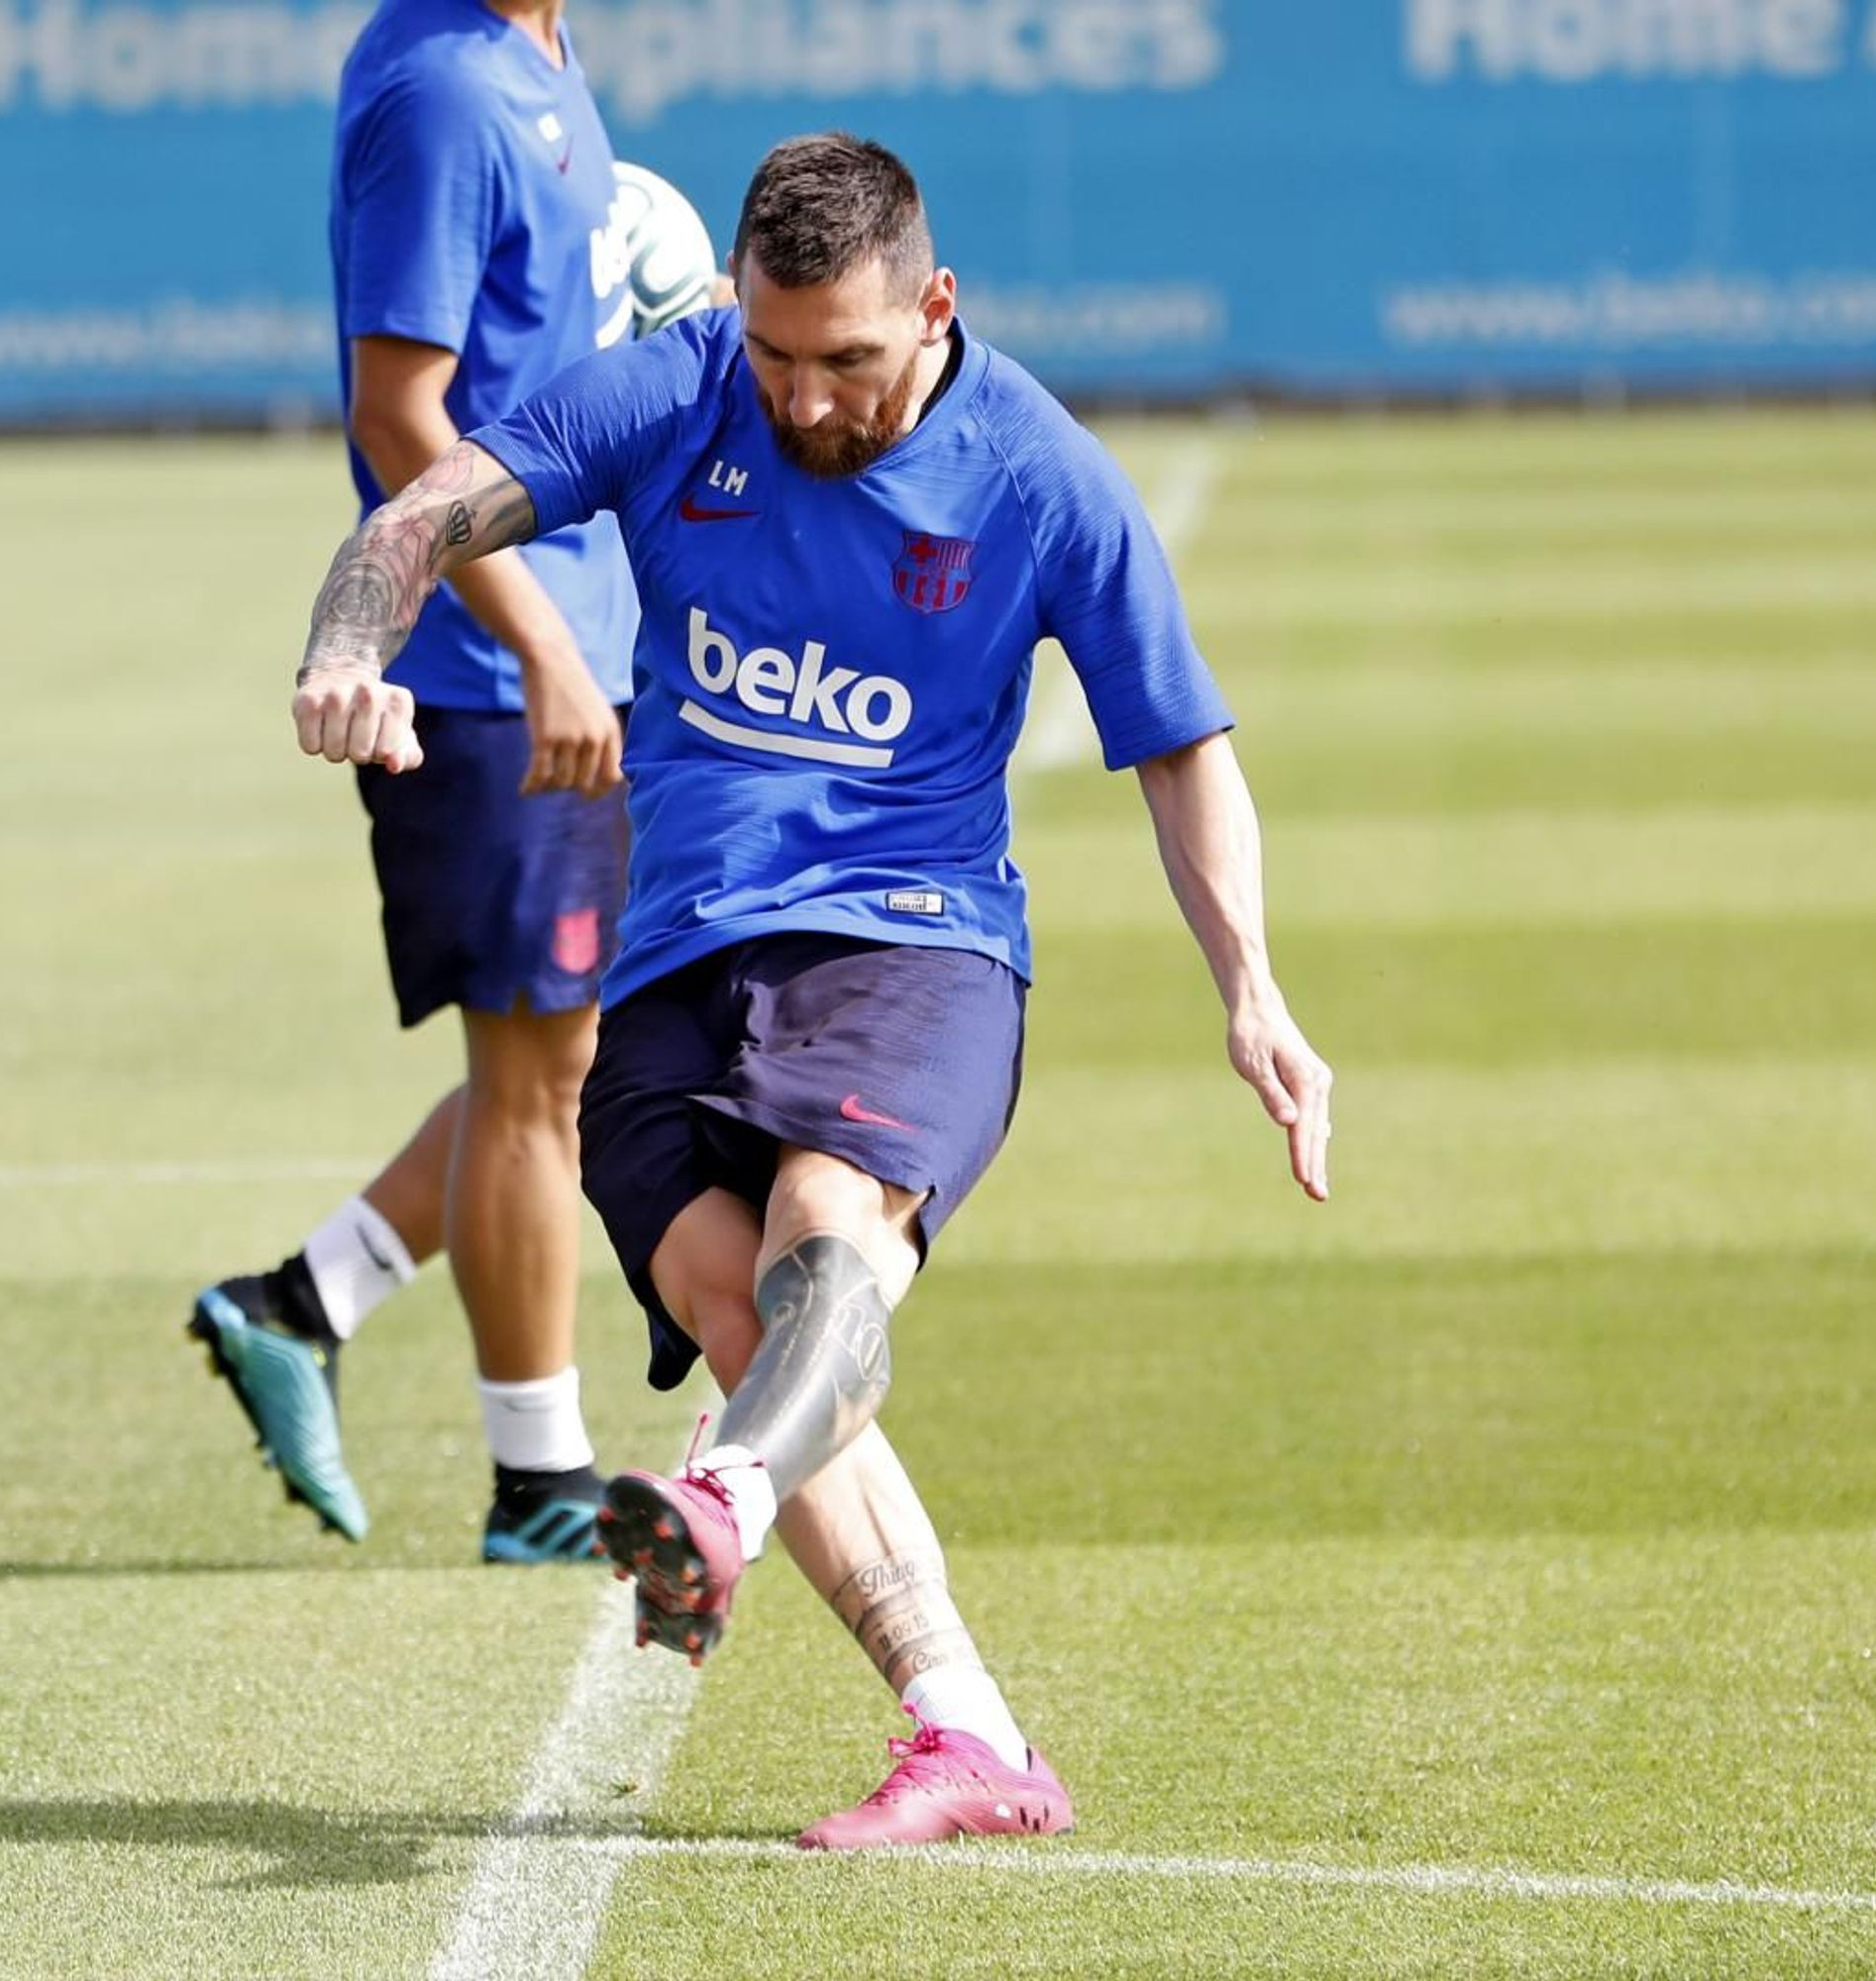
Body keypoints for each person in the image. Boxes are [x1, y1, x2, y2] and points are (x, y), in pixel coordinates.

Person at [284, 134, 1335, 1846]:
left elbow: (1181, 747)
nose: (803, 398)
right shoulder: (684, 386)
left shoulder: (1041, 474)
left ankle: (717, 1492)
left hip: (912, 935)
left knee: (824, 1237)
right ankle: (969, 1732)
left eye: (845, 361)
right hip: (683, 949)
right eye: (774, 353)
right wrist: (348, 648)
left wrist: (1255, 988)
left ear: (933, 307)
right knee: (730, 1301)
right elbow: (421, 510)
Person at [188, 0, 641, 1563]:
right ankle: (539, 1482)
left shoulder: (535, 48)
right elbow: (400, 415)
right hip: (484, 674)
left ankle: (299, 1305)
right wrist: (535, 645)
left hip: (571, 640)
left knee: (564, 1064)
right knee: (537, 1080)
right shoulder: (450, 87)